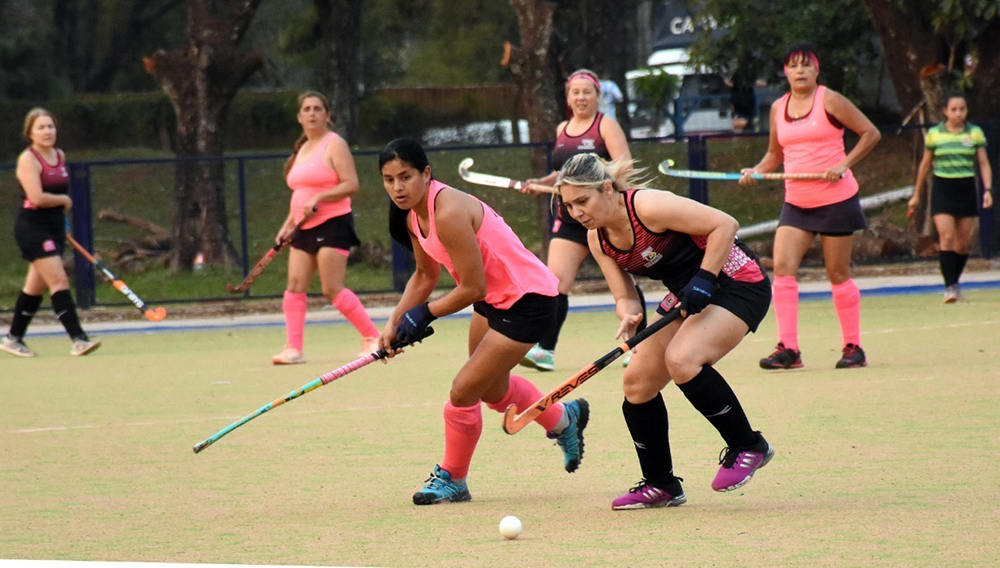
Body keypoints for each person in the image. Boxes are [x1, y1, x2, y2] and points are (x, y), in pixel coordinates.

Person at [557, 152, 773, 509]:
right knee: (638, 384)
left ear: (607, 189)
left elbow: (725, 224)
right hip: (688, 292)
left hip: (735, 282)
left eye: (583, 200)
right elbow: (625, 295)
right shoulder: (598, 238)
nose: (577, 212)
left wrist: (704, 279)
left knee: (683, 358)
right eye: (569, 206)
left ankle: (748, 445)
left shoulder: (648, 207)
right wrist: (627, 314)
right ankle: (661, 483)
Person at [378, 138, 589, 505]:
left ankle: (453, 480)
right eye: (388, 179)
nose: (397, 187)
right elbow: (424, 276)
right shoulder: (412, 213)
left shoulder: (448, 211)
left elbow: (472, 287)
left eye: (405, 176)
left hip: (529, 301)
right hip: (494, 300)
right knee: (491, 391)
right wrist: (394, 323)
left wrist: (425, 313)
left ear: (426, 174)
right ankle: (562, 419)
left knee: (462, 390)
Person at [739, 44, 881, 370]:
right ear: (785, 72)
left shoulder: (830, 100)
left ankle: (853, 347)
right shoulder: (778, 107)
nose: (800, 71)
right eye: (793, 66)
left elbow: (870, 133)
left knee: (837, 274)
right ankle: (789, 349)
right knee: (783, 270)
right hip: (797, 203)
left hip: (836, 200)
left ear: (817, 71)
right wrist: (756, 171)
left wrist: (844, 163)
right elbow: (774, 155)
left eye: (807, 65)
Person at [519, 68, 646, 372]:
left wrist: (594, 179)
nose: (580, 97)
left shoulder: (606, 125)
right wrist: (541, 181)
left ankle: (639, 343)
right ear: (568, 97)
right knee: (555, 282)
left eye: (586, 92)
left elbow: (623, 167)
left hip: (604, 216)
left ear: (597, 96)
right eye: (575, 92)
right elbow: (562, 173)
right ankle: (545, 350)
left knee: (623, 282)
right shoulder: (563, 127)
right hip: (570, 217)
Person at [271, 91, 380, 365]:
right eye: (306, 109)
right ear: (299, 117)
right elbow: (300, 193)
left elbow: (351, 184)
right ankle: (293, 349)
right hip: (302, 227)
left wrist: (320, 198)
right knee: (295, 286)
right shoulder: (302, 149)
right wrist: (287, 227)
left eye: (317, 108)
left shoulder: (335, 144)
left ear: (327, 115)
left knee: (331, 288)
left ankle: (372, 337)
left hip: (333, 223)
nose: (312, 113)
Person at [1, 108, 100, 358]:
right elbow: (36, 196)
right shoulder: (28, 159)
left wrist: (62, 220)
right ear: (30, 133)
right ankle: (79, 339)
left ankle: (13, 339)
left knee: (34, 288)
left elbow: (53, 199)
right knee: (59, 280)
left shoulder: (59, 155)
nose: (47, 132)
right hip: (32, 228)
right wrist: (64, 199)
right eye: (41, 128)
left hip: (54, 227)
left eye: (50, 127)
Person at [907, 93, 993, 302]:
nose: (958, 113)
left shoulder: (975, 133)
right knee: (946, 237)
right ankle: (950, 287)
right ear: (945, 111)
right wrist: (916, 194)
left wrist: (988, 190)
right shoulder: (935, 134)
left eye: (962, 109)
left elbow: (983, 163)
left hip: (966, 189)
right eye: (953, 110)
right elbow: (925, 165)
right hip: (943, 189)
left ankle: (954, 282)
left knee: (962, 245)